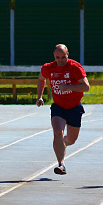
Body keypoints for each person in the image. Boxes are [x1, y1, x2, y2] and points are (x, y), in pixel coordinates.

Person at [36, 44, 90, 175]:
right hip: (58, 106)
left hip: (74, 107)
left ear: (68, 55)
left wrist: (69, 87)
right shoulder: (48, 68)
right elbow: (41, 79)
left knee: (71, 140)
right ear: (54, 56)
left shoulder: (74, 67)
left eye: (63, 57)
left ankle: (63, 144)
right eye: (57, 57)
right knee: (57, 132)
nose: (60, 60)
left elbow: (86, 87)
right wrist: (40, 96)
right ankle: (61, 164)